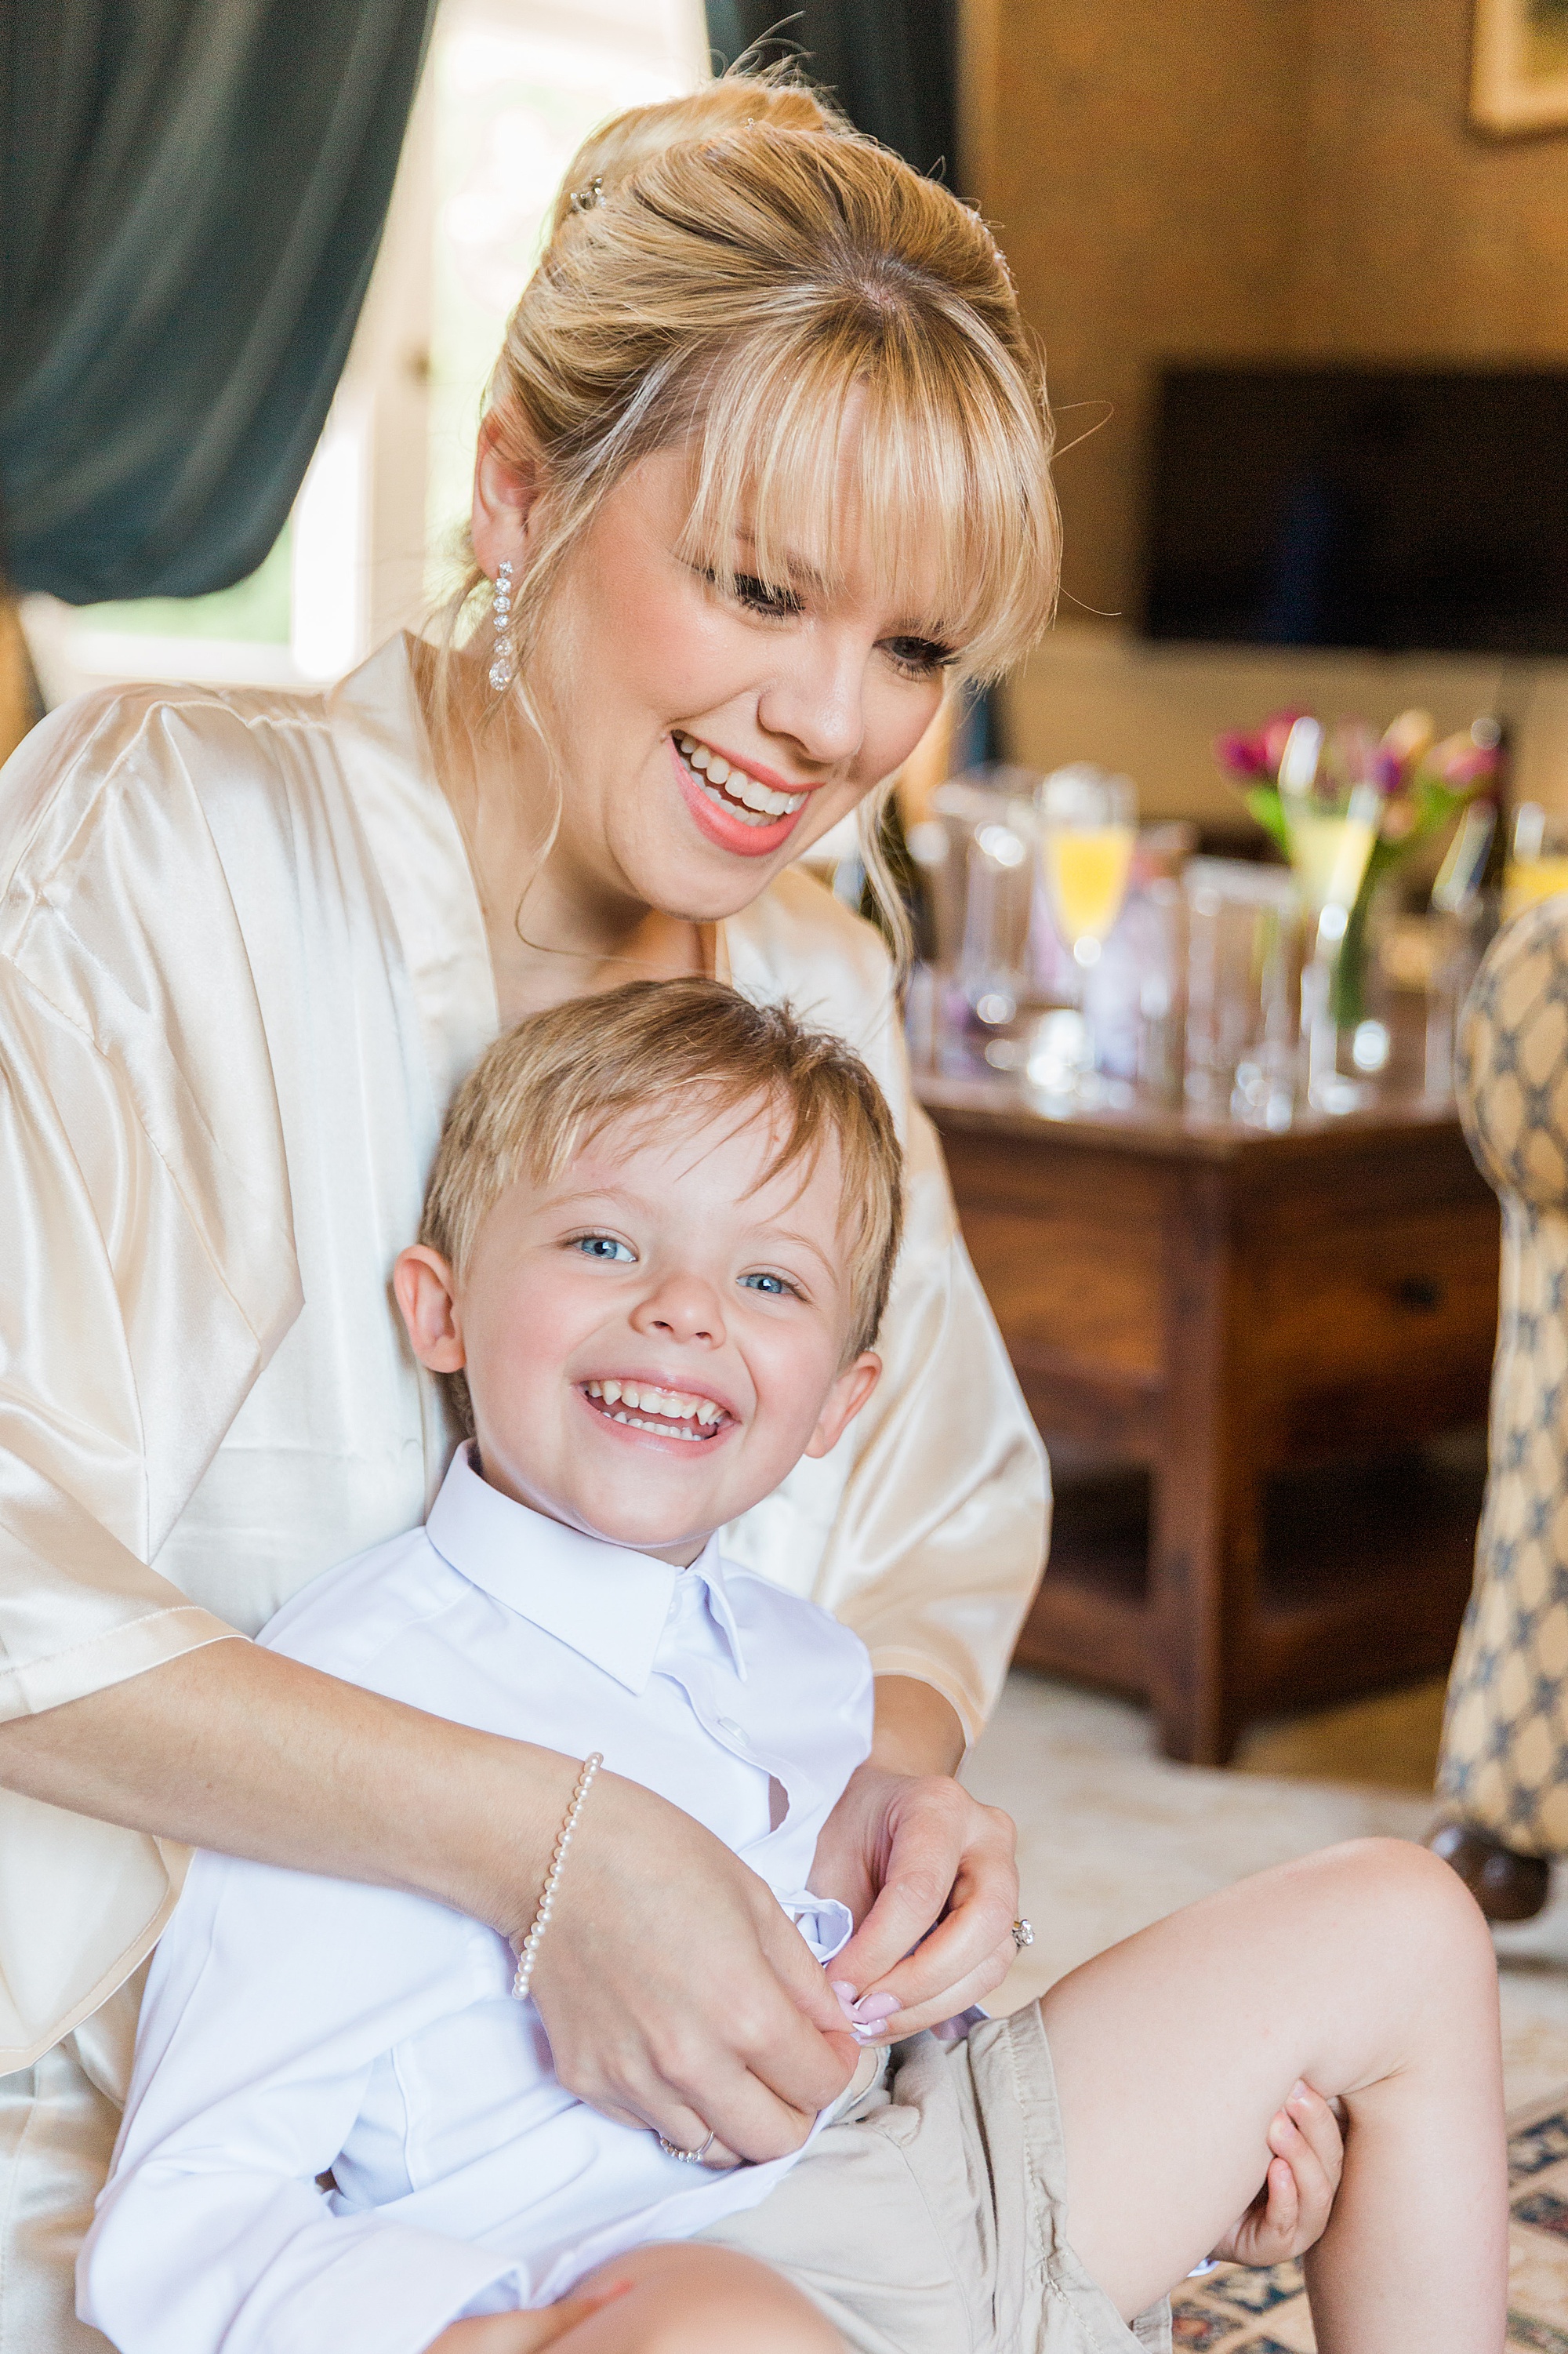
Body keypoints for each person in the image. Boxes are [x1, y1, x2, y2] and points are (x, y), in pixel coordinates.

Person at [0, 72, 1056, 2347]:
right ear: (521, 485)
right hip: (161, 2161)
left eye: (914, 648)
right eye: (761, 586)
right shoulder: (168, 847)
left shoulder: (821, 990)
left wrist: (882, 1803)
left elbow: (926, 1525)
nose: (827, 719)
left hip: (661, 2167)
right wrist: (551, 1846)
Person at [79, 980, 1501, 2354]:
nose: (686, 1308)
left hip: (933, 2188)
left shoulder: (807, 1659)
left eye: (766, 1278)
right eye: (602, 1245)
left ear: (838, 1402)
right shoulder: (356, 1696)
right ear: (440, 1309)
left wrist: (1192, 2196)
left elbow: (890, 2057)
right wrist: (507, 2338)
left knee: (1407, 1916)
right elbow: (188, 2214)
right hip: (654, 2283)